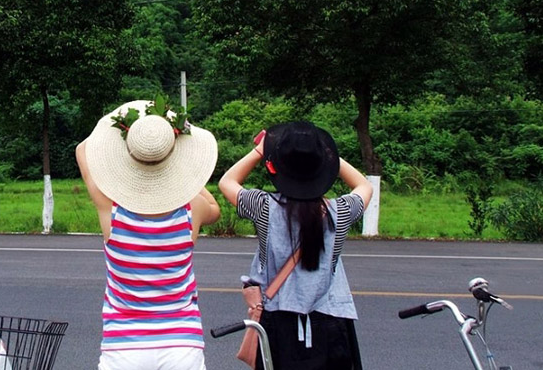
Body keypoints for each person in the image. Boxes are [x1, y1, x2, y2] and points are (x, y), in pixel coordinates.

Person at [76, 99, 221, 370]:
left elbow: (83, 149)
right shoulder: (194, 210)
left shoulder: (111, 210)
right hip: (182, 344)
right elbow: (215, 209)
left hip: (123, 346)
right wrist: (186, 173)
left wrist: (118, 128)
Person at [218, 121, 373, 370]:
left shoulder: (264, 207)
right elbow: (365, 186)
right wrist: (328, 156)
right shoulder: (339, 211)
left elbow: (227, 182)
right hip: (331, 323)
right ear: (323, 169)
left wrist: (260, 150)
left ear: (277, 165)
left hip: (278, 323)